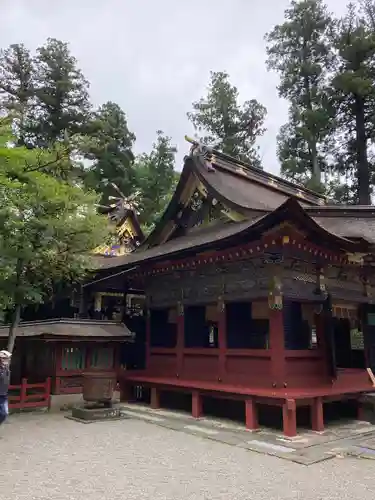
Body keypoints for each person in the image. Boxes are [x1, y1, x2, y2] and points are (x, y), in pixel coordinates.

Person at [0, 350, 11, 425]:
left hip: (4, 394)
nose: (7, 359)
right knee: (3, 413)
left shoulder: (6, 368)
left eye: (7, 358)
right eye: (4, 358)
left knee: (5, 413)